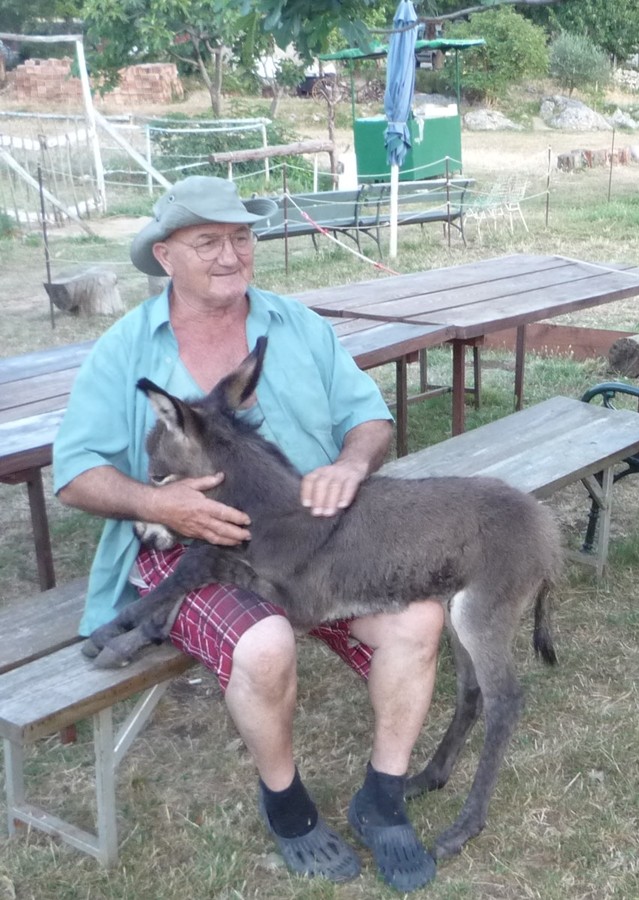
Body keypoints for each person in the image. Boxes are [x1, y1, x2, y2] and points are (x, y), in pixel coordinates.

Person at [52, 176, 443, 893]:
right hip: (197, 550)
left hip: (313, 540)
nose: (231, 255)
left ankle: (382, 799)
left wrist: (352, 464)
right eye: (208, 242)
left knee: (419, 617)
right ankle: (287, 805)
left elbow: (370, 419)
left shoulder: (297, 327)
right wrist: (160, 504)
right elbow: (74, 473)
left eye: (241, 237)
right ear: (166, 255)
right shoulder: (124, 349)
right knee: (265, 646)